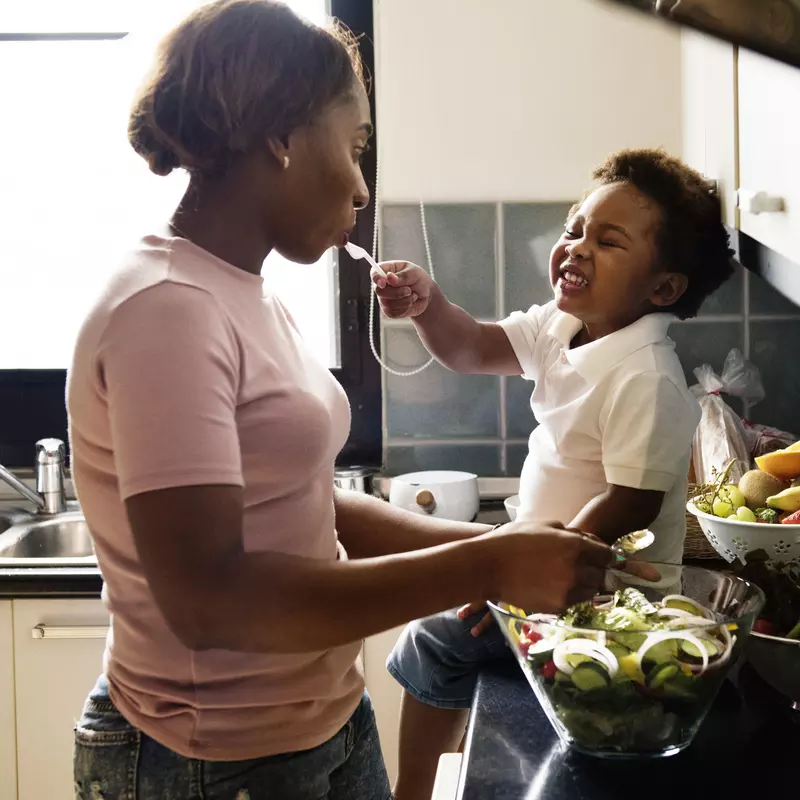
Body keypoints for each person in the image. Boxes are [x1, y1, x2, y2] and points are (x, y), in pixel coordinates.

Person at [66, 2, 615, 798]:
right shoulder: (165, 309)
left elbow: (302, 505)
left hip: (319, 722)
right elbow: (209, 601)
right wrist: (487, 560)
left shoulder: (242, 291)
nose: (360, 184)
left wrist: (487, 547)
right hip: (208, 760)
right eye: (354, 146)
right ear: (281, 136)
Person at [374, 148, 735, 800]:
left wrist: (516, 574)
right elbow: (472, 346)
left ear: (662, 289)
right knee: (441, 632)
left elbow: (628, 503)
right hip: (539, 569)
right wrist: (429, 305)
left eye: (609, 241)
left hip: (603, 599)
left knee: (430, 640)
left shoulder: (646, 376)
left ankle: (411, 792)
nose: (577, 248)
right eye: (575, 229)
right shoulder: (563, 324)